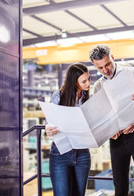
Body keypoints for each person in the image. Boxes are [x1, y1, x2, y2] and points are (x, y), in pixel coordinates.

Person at [89, 44, 134, 196]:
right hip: (117, 137)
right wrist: (109, 132)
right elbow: (102, 118)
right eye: (100, 68)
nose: (106, 70)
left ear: (113, 57)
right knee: (119, 185)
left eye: (108, 64)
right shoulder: (99, 86)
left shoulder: (132, 73)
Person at [45, 63, 91, 196]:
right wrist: (48, 128)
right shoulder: (59, 97)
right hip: (60, 154)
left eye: (88, 79)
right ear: (74, 82)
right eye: (84, 81)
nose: (88, 84)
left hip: (82, 154)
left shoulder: (87, 100)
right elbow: (49, 121)